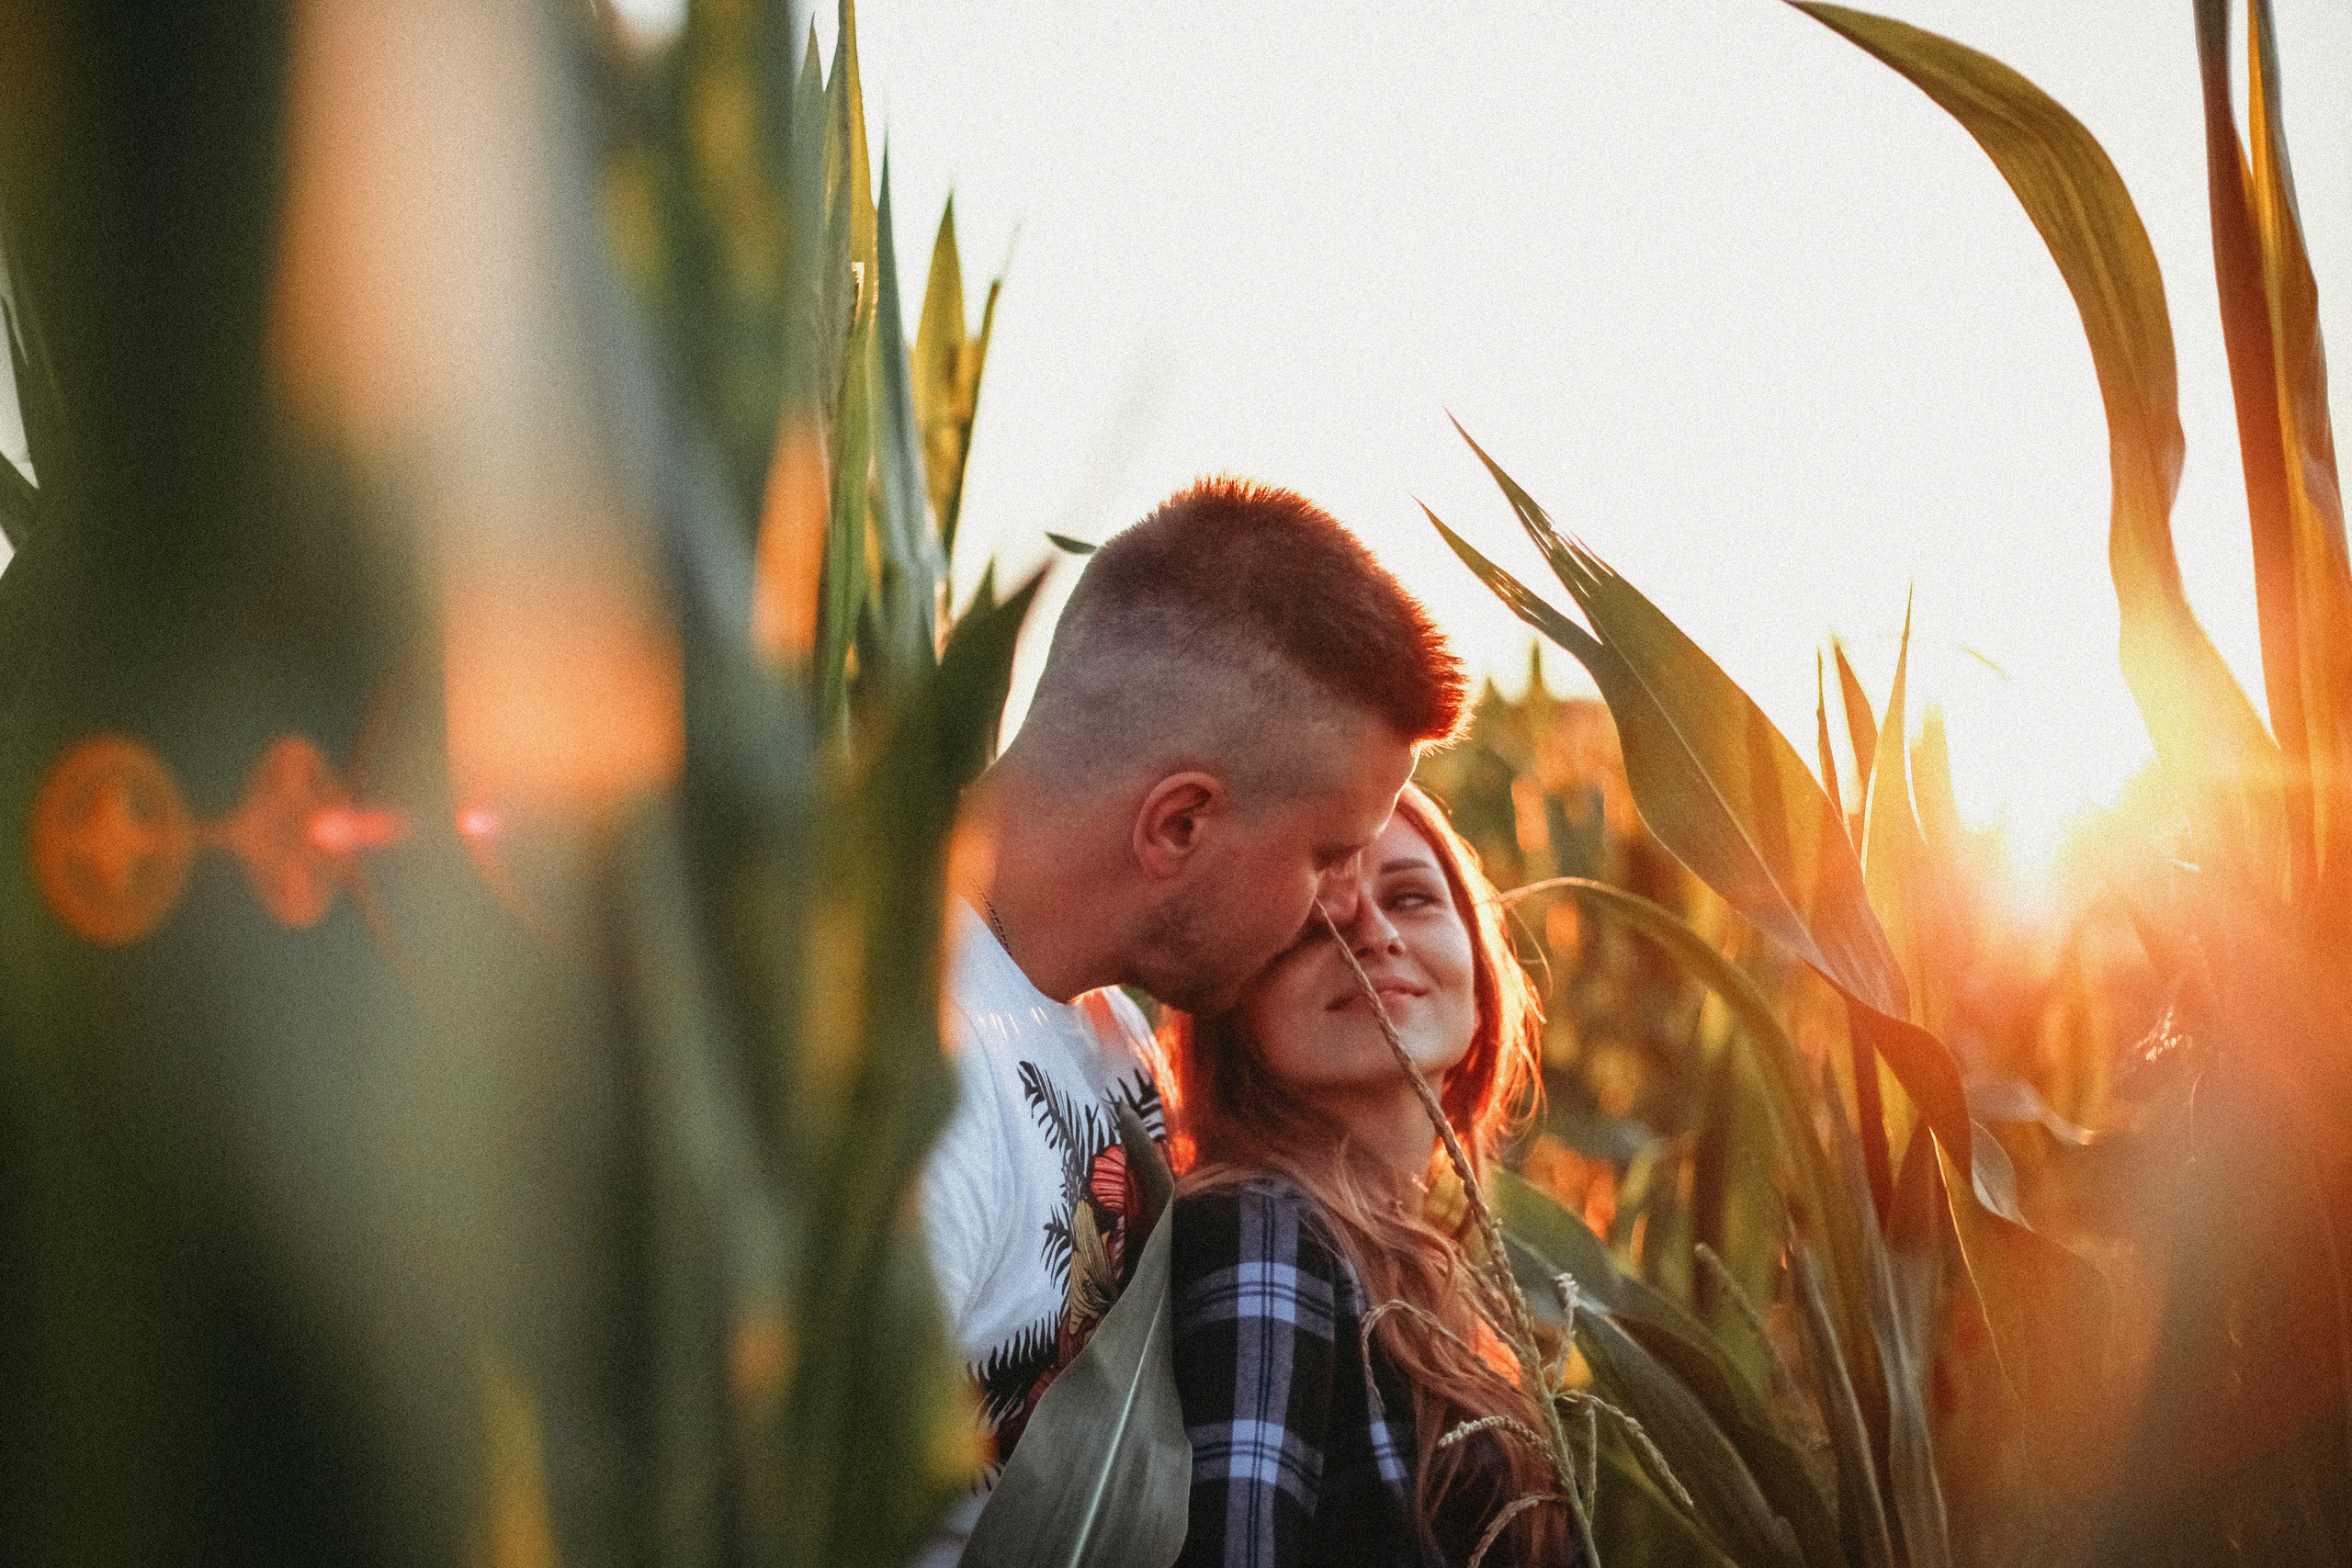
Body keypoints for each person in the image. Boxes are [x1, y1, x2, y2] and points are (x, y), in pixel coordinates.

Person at [919, 478, 1469, 1561]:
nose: (1341, 906)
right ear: (1180, 822)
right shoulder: (907, 1086)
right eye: (1324, 855)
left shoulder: (1108, 1036)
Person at [1160, 784, 1573, 1568]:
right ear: (1229, 998)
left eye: (1413, 896)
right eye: (1313, 923)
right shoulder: (1266, 1234)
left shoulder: (1431, 1278)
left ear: (1482, 973)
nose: (1372, 936)